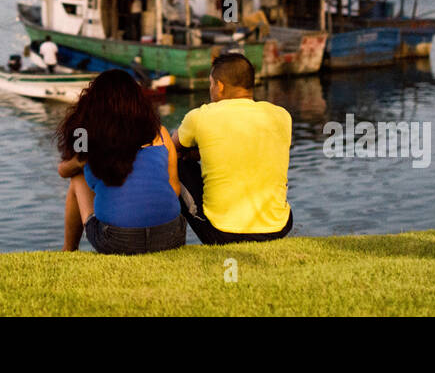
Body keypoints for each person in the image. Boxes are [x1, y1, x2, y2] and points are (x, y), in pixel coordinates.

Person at [57, 69, 186, 254]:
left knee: (76, 177)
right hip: (171, 236)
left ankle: (69, 249)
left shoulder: (85, 133)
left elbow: (64, 171)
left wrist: (79, 162)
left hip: (117, 241)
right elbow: (174, 189)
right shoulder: (160, 133)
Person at [172, 52, 293, 244]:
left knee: (174, 161)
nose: (211, 89)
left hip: (222, 233)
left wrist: (192, 153)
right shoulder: (282, 116)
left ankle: (168, 236)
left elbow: (172, 147)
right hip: (279, 227)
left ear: (219, 85)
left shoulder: (201, 116)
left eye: (211, 84)